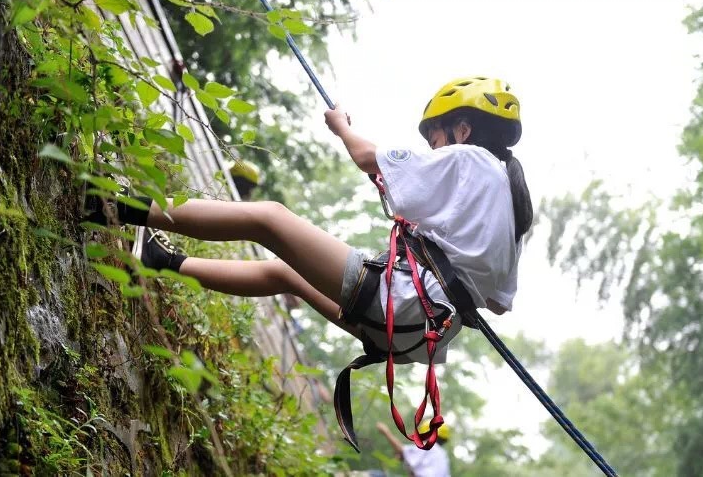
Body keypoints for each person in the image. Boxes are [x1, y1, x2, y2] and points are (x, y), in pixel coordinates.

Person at [88, 75, 532, 432]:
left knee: (270, 220)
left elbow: (364, 155)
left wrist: (342, 125)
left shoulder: (468, 158)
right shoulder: (510, 212)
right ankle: (163, 262)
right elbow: (496, 304)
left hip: (397, 302)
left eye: (435, 136)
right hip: (411, 338)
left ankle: (116, 205)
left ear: (463, 129)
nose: (435, 147)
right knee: (285, 275)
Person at [376, 421, 451, 477]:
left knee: (376, 475)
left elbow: (400, 449)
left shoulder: (429, 446)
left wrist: (386, 432)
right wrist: (405, 459)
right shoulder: (442, 455)